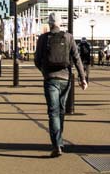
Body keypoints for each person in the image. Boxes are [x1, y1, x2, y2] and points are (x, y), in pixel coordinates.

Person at [34, 13, 87, 157]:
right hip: (65, 79)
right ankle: (59, 140)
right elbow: (76, 58)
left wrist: (45, 72)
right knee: (61, 111)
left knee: (53, 112)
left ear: (49, 23)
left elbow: (37, 60)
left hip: (50, 79)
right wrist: (83, 78)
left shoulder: (43, 38)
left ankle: (57, 144)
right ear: (60, 23)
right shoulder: (68, 37)